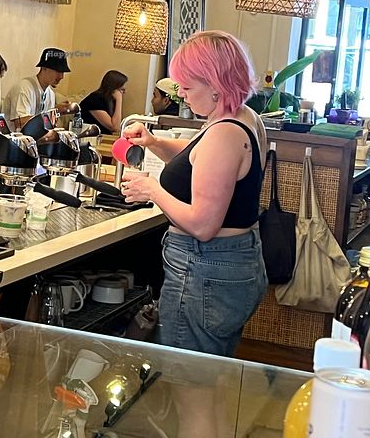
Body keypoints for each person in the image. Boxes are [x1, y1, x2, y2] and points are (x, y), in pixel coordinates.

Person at [120, 31, 268, 438]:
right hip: (232, 266)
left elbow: (203, 224)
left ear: (215, 83)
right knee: (210, 389)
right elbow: (198, 162)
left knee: (193, 399)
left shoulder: (223, 134)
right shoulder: (240, 118)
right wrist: (155, 143)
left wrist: (152, 190)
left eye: (187, 87)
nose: (182, 96)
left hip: (204, 273)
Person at [2, 47, 75, 130]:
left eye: (63, 72)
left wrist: (56, 112)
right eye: (58, 71)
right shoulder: (24, 88)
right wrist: (54, 111)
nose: (61, 76)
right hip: (13, 137)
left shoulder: (50, 94)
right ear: (44, 68)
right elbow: (20, 123)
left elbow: (47, 126)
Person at [79, 70, 128, 134]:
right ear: (113, 89)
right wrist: (119, 100)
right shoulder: (95, 99)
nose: (124, 92)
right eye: (122, 90)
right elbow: (114, 127)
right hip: (89, 137)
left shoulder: (109, 100)